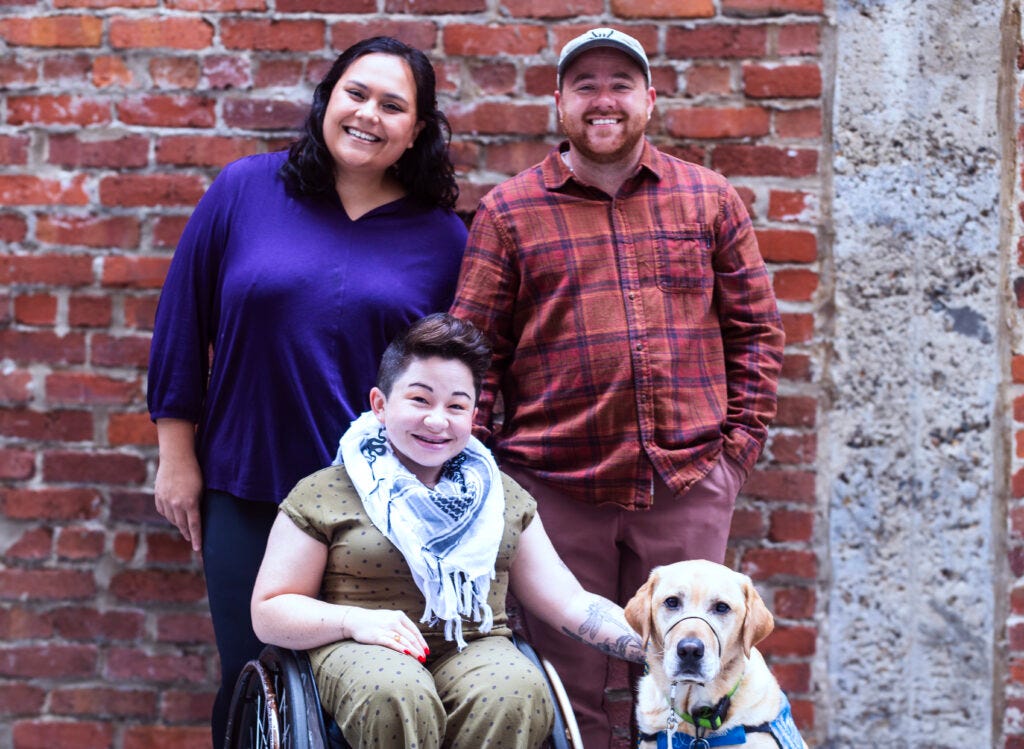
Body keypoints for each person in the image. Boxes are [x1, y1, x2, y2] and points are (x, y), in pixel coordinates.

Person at [449, 27, 786, 748]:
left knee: (694, 680)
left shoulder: (709, 199)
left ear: (650, 99)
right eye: (586, 86)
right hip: (555, 491)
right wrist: (485, 480)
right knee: (571, 685)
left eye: (620, 84)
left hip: (687, 483)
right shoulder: (509, 212)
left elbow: (756, 332)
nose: (604, 101)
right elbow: (471, 355)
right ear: (560, 103)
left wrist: (735, 455)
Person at [146, 37, 468, 747]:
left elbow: (454, 377)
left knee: (359, 683)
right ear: (327, 101)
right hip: (245, 483)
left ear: (417, 130)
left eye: (393, 105)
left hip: (376, 505)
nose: (369, 115)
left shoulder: (443, 237)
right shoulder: (245, 191)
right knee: (252, 682)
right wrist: (177, 456)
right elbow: (181, 318)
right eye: (356, 94)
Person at [251, 313, 645, 748]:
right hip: (361, 645)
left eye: (456, 406)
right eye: (420, 400)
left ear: (473, 415)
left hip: (475, 646)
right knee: (394, 691)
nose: (438, 421)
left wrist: (656, 644)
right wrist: (354, 621)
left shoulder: (501, 496)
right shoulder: (326, 491)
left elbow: (570, 602)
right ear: (380, 404)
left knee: (515, 689)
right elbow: (270, 609)